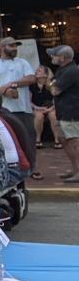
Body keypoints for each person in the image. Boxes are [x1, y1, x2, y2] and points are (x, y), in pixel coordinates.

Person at [0, 35, 37, 146]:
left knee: (28, 142)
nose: (15, 48)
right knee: (7, 142)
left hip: (23, 110)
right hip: (2, 109)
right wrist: (2, 91)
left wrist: (12, 84)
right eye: (11, 46)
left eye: (16, 46)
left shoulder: (23, 62)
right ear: (2, 47)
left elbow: (31, 78)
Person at [50, 45, 79, 182]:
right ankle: (75, 169)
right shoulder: (63, 70)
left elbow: (55, 91)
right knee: (63, 139)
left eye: (54, 55)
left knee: (74, 142)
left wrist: (50, 83)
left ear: (62, 57)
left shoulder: (70, 71)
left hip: (71, 112)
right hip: (62, 111)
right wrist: (53, 83)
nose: (52, 57)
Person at [31, 65, 60, 150]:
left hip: (50, 107)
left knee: (53, 115)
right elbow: (29, 101)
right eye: (36, 70)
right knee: (39, 116)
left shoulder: (51, 84)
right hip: (37, 107)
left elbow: (56, 98)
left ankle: (57, 139)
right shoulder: (32, 85)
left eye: (39, 71)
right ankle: (38, 139)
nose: (36, 72)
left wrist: (51, 108)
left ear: (45, 74)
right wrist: (38, 108)